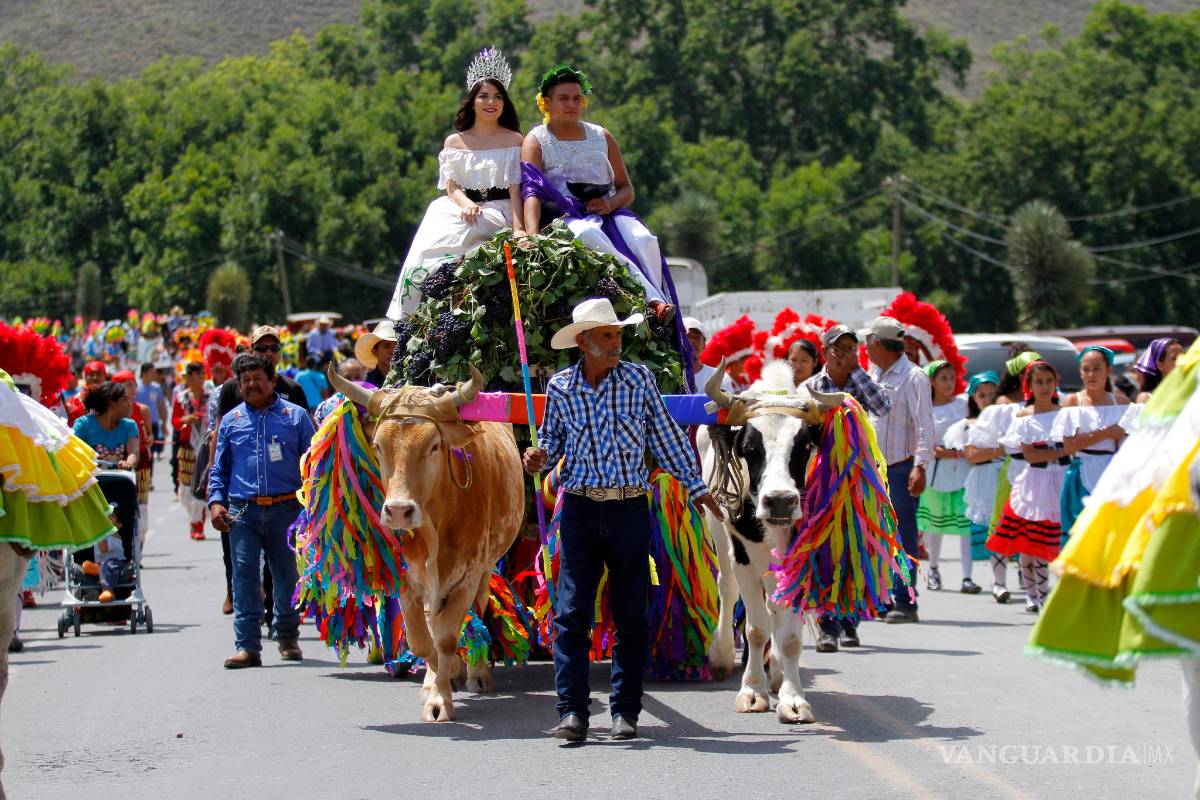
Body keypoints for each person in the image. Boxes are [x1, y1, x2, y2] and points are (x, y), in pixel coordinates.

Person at [521, 298, 723, 742]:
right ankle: (572, 712)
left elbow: (667, 438)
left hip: (630, 508)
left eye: (617, 334)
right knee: (571, 614)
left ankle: (624, 713)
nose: (617, 343)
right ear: (583, 342)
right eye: (608, 336)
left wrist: (698, 487)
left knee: (631, 615)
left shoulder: (639, 379)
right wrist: (536, 458)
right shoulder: (560, 388)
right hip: (578, 509)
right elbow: (551, 444)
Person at [521, 65, 677, 327]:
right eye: (564, 98)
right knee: (587, 236)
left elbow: (627, 188)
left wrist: (610, 203)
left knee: (644, 238)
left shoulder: (601, 136)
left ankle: (663, 301)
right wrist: (531, 235)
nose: (572, 104)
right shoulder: (536, 140)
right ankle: (652, 302)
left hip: (610, 211)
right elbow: (531, 192)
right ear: (546, 103)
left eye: (577, 98)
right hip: (566, 217)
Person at [386, 48, 525, 319]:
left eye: (497, 96)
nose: (491, 102)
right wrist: (466, 203)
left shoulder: (514, 140)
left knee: (479, 228)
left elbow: (516, 188)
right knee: (429, 237)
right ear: (472, 100)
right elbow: (452, 186)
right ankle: (412, 309)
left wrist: (519, 230)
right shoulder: (454, 142)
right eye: (484, 95)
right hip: (462, 205)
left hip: (500, 208)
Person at [208, 352, 315, 669]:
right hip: (243, 512)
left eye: (257, 379)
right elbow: (219, 470)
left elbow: (313, 465)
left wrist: (315, 507)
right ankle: (248, 647)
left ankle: (287, 638)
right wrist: (216, 503)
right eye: (245, 381)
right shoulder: (231, 422)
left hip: (288, 510)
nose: (251, 385)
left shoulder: (296, 418)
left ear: (272, 380)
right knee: (244, 578)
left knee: (286, 577)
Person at [806, 323, 892, 651]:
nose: (845, 355)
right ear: (825, 352)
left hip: (858, 481)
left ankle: (850, 622)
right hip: (821, 484)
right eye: (838, 349)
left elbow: (883, 406)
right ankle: (827, 626)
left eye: (850, 348)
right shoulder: (811, 387)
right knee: (825, 550)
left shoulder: (861, 380)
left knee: (856, 548)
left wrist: (856, 373)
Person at [864, 316, 934, 624]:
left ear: (878, 344)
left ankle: (906, 600)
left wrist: (919, 465)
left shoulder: (914, 377)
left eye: (868, 342)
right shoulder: (872, 374)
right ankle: (882, 598)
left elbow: (925, 427)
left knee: (903, 538)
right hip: (873, 469)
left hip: (901, 468)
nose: (866, 348)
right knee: (875, 536)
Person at [988, 361, 1067, 614]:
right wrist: (1065, 449)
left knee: (1058, 540)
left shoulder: (1066, 412)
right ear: (1029, 386)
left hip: (1063, 477)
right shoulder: (1024, 415)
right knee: (1033, 541)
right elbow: (1032, 455)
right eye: (1039, 382)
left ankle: (1055, 595)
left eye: (1049, 381)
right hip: (1036, 482)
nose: (1044, 387)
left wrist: (1062, 451)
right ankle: (1037, 596)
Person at [1055, 346, 1135, 540]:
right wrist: (1107, 433)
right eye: (1086, 369)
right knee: (1083, 531)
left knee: (1112, 532)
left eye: (1097, 368)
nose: (1091, 374)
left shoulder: (1121, 402)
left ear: (1108, 371)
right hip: (1082, 471)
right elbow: (1069, 445)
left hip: (1114, 471)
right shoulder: (1074, 401)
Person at [917, 361, 976, 594]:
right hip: (936, 473)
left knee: (965, 524)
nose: (949, 383)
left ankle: (967, 576)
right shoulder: (925, 408)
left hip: (963, 471)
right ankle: (933, 569)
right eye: (943, 378)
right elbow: (924, 441)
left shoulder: (963, 404)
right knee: (935, 524)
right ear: (931, 381)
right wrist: (941, 451)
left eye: (952, 378)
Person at [959, 372, 1012, 601]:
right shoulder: (971, 424)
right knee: (994, 527)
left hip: (1010, 474)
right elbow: (971, 455)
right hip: (987, 478)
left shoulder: (1006, 417)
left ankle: (1025, 574)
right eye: (982, 395)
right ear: (973, 398)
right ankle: (998, 580)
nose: (988, 399)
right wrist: (1001, 450)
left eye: (992, 394)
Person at [114, 370, 154, 543]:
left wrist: (147, 440)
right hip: (119, 461)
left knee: (142, 503)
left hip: (141, 462)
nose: (132, 388)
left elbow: (150, 436)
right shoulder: (113, 412)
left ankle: (140, 543)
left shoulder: (143, 410)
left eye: (133, 384)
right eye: (127, 384)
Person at [172, 361, 210, 541]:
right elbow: (175, 421)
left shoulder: (211, 396)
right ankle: (194, 517)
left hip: (205, 446)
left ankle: (198, 524)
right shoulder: (181, 398)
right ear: (188, 377)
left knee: (201, 484)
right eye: (197, 374)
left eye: (202, 374)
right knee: (186, 489)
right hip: (187, 447)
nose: (201, 377)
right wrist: (187, 419)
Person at [72, 382, 140, 471]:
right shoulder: (83, 425)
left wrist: (128, 464)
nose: (129, 404)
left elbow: (134, 452)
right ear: (111, 403)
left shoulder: (129, 425)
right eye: (125, 400)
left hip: (121, 482)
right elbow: (75, 455)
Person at [313, 358, 369, 427]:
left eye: (357, 377)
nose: (353, 382)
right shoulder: (325, 407)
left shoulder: (373, 404)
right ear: (339, 379)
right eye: (348, 378)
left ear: (364, 378)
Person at [1133, 337, 1184, 404]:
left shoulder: (1194, 392)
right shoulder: (1147, 398)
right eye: (1174, 358)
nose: (1182, 361)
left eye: (1184, 356)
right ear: (1160, 365)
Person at [135, 363, 169, 460]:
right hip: (139, 423)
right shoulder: (136, 386)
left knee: (151, 453)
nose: (155, 374)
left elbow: (160, 406)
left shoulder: (156, 387)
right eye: (152, 372)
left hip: (153, 423)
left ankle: (149, 474)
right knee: (140, 452)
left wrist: (164, 423)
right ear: (144, 373)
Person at [354, 320, 397, 388]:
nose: (393, 351)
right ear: (375, 352)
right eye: (386, 346)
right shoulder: (366, 382)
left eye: (396, 345)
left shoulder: (410, 378)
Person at [682, 317, 716, 386]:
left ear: (704, 345)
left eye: (697, 337)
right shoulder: (668, 377)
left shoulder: (718, 377)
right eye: (687, 337)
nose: (692, 341)